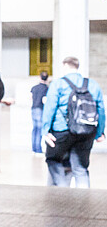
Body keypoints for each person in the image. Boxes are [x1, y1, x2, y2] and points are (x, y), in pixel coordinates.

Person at [42, 56, 105, 188]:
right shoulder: (92, 84)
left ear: (65, 66)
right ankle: (84, 200)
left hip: (61, 131)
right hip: (86, 131)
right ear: (77, 66)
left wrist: (45, 130)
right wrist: (99, 133)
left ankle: (61, 190)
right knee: (81, 168)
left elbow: (50, 107)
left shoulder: (58, 84)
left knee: (54, 160)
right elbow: (100, 110)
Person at [30, 71, 50, 154]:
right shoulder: (46, 88)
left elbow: (30, 98)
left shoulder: (34, 87)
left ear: (40, 77)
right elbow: (44, 100)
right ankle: (38, 149)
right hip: (41, 109)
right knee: (39, 130)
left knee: (34, 129)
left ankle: (34, 148)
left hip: (33, 109)